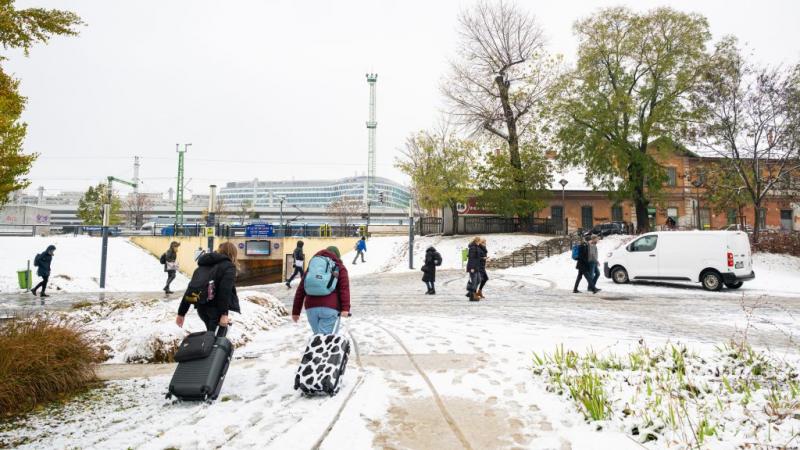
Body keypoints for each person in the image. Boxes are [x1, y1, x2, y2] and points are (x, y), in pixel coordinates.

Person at [176, 242, 241, 332]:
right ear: (233, 254)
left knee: (211, 337)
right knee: (214, 340)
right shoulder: (229, 266)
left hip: (201, 308)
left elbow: (191, 288)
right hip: (215, 310)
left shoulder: (203, 266)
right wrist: (224, 314)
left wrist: (181, 313)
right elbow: (224, 291)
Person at [292, 246, 351, 334]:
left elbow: (301, 290)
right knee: (325, 342)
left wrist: (296, 312)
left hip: (311, 309)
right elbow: (344, 289)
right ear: (337, 256)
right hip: (330, 308)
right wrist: (345, 309)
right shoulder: (339, 267)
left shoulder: (312, 267)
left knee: (318, 339)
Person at [465, 237, 482, 301]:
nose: (480, 242)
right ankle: (472, 296)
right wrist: (472, 268)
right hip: (473, 267)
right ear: (476, 241)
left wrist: (483, 258)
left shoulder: (476, 247)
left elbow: (477, 257)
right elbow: (471, 259)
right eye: (479, 241)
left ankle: (471, 293)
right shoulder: (473, 248)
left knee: (478, 280)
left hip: (476, 267)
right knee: (474, 281)